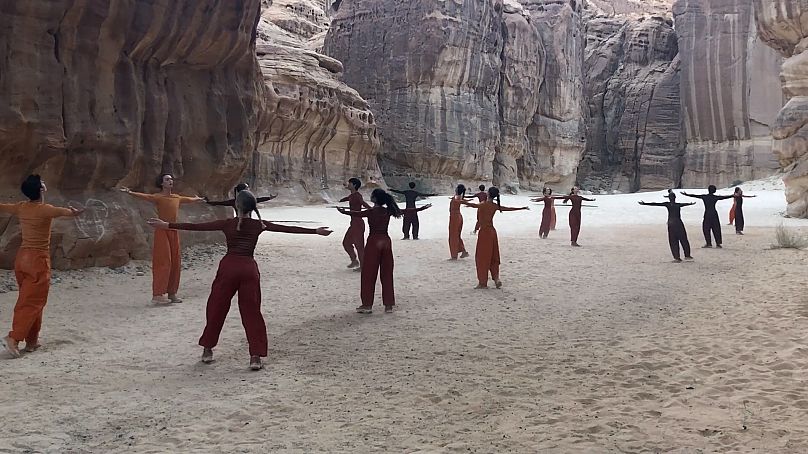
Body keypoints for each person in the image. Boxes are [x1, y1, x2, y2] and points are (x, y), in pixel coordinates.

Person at [147, 191, 332, 370]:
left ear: (236, 206)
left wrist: (167, 225)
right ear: (253, 207)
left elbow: (197, 226)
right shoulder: (259, 224)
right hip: (248, 269)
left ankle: (207, 350)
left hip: (228, 267)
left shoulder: (228, 223)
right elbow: (286, 229)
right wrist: (316, 231)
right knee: (252, 312)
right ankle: (255, 356)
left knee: (216, 308)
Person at [0, 175, 84, 358]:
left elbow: (3, 207)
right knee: (32, 301)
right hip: (37, 260)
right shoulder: (46, 209)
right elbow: (65, 212)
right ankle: (13, 338)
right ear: (41, 189)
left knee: (31, 298)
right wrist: (74, 212)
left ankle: (32, 340)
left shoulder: (21, 207)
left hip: (22, 258)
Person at [121, 174, 205, 304]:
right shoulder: (159, 197)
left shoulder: (176, 197)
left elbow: (189, 199)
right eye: (167, 179)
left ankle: (172, 293)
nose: (170, 181)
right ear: (162, 183)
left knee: (176, 262)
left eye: (171, 179)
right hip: (161, 230)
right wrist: (130, 192)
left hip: (173, 230)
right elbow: (146, 197)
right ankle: (158, 294)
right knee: (163, 261)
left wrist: (198, 199)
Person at [337, 189, 410, 314]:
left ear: (375, 199)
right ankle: (388, 305)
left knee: (368, 274)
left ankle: (367, 305)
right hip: (386, 241)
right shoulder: (388, 211)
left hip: (373, 241)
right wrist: (421, 209)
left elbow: (356, 214)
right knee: (387, 273)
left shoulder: (371, 212)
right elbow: (407, 211)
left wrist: (343, 211)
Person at [461, 187, 529, 289]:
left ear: (488, 194)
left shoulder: (483, 205)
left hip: (484, 233)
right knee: (493, 256)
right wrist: (522, 208)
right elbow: (508, 209)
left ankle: (482, 283)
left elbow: (473, 205)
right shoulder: (494, 206)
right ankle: (496, 278)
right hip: (493, 232)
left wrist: (460, 201)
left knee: (482, 257)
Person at [638, 190, 696, 262]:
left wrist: (644, 203)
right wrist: (690, 203)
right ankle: (687, 255)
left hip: (671, 224)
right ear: (675, 198)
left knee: (673, 240)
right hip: (679, 223)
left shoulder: (668, 204)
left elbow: (656, 204)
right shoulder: (678, 205)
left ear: (669, 198)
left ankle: (677, 257)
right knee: (683, 239)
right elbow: (684, 204)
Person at [338, 178, 371, 270]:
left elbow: (362, 203)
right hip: (353, 223)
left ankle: (363, 266)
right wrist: (342, 200)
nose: (348, 184)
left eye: (350, 183)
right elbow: (349, 198)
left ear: (354, 185)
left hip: (358, 224)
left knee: (359, 246)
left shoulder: (357, 195)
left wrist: (371, 210)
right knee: (346, 243)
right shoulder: (352, 195)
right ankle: (354, 261)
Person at [205, 183, 276, 215]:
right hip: (248, 223)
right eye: (247, 188)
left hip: (237, 222)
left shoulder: (234, 201)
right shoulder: (249, 200)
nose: (249, 189)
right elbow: (259, 199)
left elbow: (219, 203)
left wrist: (208, 202)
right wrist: (270, 198)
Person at [448, 184, 470, 260]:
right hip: (458, 217)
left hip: (455, 217)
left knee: (453, 236)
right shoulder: (458, 196)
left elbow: (458, 201)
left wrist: (468, 203)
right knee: (457, 235)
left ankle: (454, 255)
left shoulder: (457, 197)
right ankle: (463, 251)